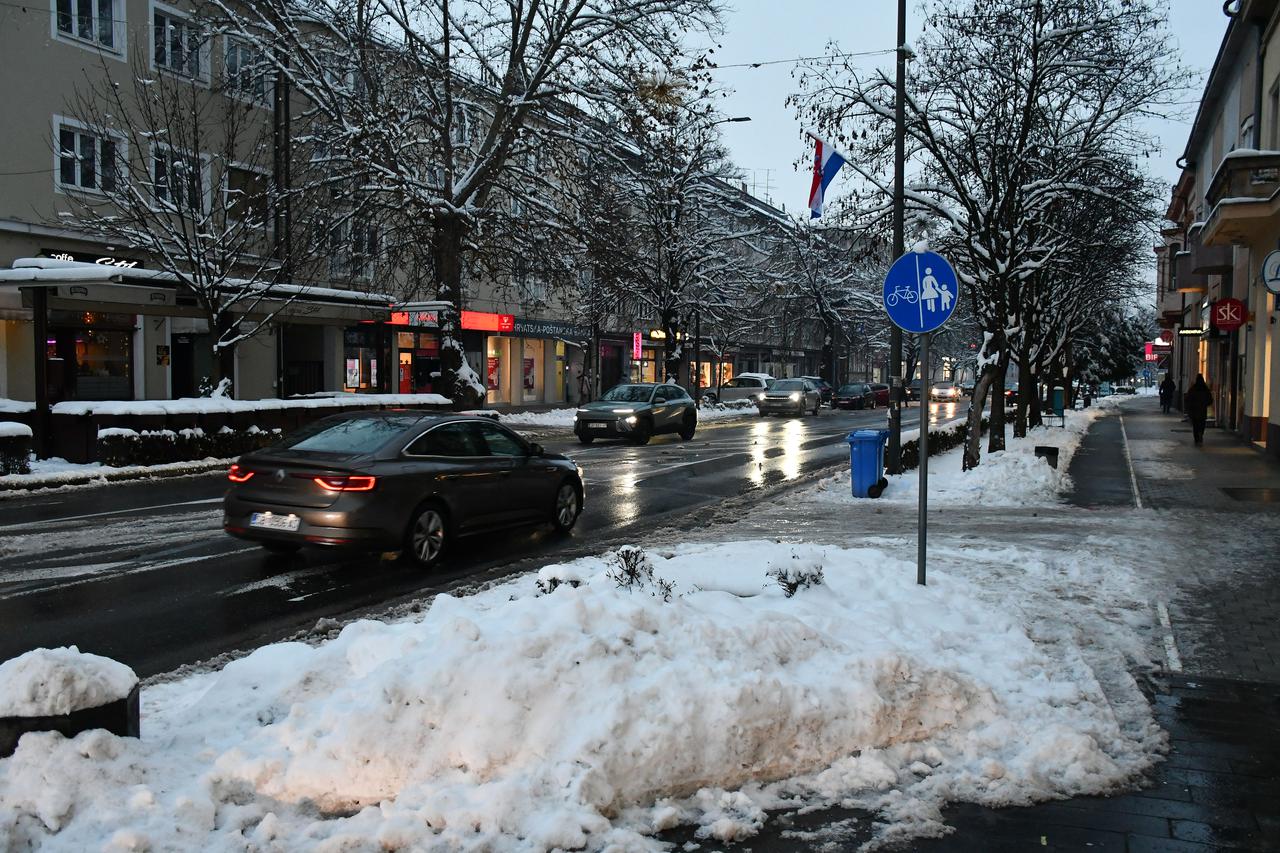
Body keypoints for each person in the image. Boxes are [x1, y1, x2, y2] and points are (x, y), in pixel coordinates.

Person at [1184, 374, 1212, 446]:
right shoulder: (1205, 389)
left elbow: (1188, 399)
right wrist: (1205, 404)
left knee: (1195, 425)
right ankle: (1201, 434)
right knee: (1202, 424)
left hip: (1194, 411)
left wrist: (1189, 407)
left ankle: (1196, 438)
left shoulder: (1193, 389)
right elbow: (1210, 399)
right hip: (1202, 410)